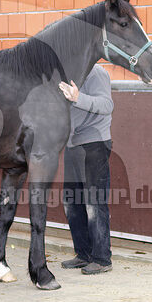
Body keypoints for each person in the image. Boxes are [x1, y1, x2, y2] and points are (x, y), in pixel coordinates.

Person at [58, 65, 114, 275]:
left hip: (95, 142)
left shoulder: (96, 72)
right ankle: (83, 254)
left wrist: (78, 97)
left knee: (94, 202)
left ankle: (101, 258)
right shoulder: (66, 73)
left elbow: (107, 104)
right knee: (72, 202)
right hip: (73, 143)